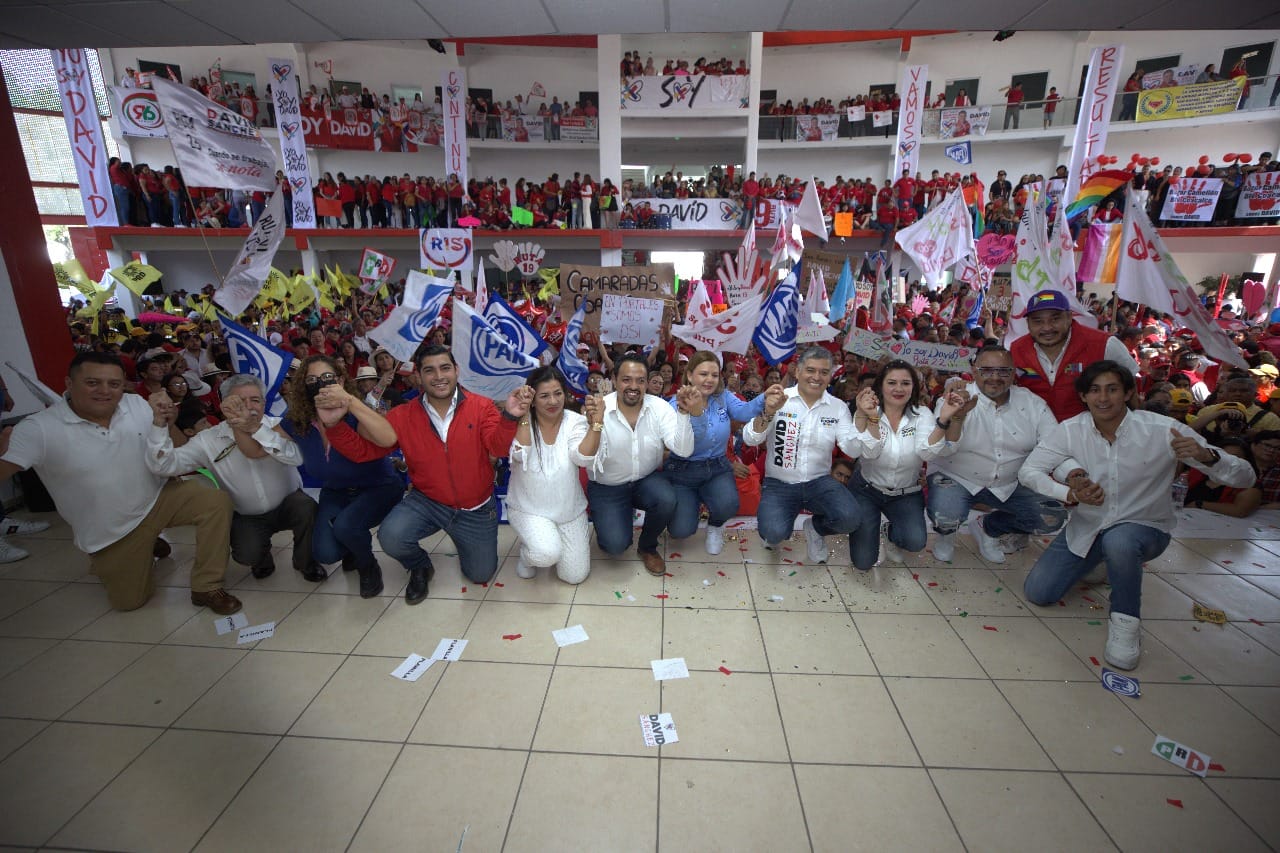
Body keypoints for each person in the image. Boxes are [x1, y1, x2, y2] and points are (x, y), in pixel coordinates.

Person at [1020, 361, 1255, 669]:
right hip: (1089, 527)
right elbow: (1029, 471)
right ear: (1084, 397)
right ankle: (1103, 562)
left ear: (1129, 392)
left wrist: (1207, 457)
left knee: (1121, 540)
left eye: (1112, 389)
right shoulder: (1071, 430)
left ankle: (1125, 624)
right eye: (1095, 390)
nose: (1103, 398)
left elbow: (1246, 478)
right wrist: (1069, 493)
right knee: (1040, 592)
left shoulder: (1162, 430)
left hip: (1146, 527)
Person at [0, 352, 241, 614]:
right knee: (130, 602)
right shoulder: (38, 428)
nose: (105, 391)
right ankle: (134, 549)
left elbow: (179, 454)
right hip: (112, 528)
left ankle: (206, 585)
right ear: (69, 384)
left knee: (215, 500)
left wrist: (168, 423)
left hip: (158, 498)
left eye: (114, 384)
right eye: (92, 383)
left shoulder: (135, 404)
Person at [325, 345, 531, 604]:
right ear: (419, 377)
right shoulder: (402, 415)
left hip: (475, 508)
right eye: (429, 370)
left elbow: (497, 448)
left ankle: (466, 541)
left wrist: (510, 416)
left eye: (445, 368)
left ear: (456, 371)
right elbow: (364, 452)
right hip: (428, 501)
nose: (438, 376)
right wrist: (333, 425)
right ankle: (420, 565)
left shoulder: (482, 407)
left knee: (481, 574)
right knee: (391, 536)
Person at [145, 374, 328, 584]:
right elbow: (164, 466)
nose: (248, 407)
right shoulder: (208, 439)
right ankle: (261, 556)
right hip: (246, 513)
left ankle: (306, 561)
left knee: (307, 507)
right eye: (239, 402)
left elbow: (296, 457)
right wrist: (160, 425)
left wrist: (254, 430)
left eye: (255, 400)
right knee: (246, 554)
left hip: (288, 503)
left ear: (264, 402)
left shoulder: (279, 426)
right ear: (223, 405)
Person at [926, 346, 1068, 564]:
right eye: (987, 370)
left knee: (1052, 516)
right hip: (955, 478)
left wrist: (1073, 476)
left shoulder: (1032, 404)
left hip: (1009, 483)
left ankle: (988, 528)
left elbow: (1055, 448)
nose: (995, 377)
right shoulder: (956, 398)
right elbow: (940, 450)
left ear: (1013, 373)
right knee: (945, 515)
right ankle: (946, 534)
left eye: (1003, 371)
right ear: (974, 371)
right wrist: (957, 418)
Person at [282, 356, 403, 597]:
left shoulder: (355, 412)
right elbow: (258, 446)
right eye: (312, 380)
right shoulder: (298, 422)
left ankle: (368, 566)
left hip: (377, 486)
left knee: (347, 526)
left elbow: (389, 438)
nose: (320, 384)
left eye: (327, 378)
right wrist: (244, 424)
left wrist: (350, 402)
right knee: (326, 553)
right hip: (336, 491)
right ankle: (351, 546)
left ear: (339, 380)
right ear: (303, 386)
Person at [577, 353, 699, 576]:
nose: (633, 386)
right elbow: (585, 459)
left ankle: (647, 546)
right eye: (626, 379)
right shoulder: (598, 408)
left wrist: (683, 414)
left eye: (640, 380)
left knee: (666, 498)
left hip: (645, 479)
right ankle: (618, 519)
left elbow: (683, 450)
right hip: (608, 487)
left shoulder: (659, 407)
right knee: (615, 545)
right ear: (614, 380)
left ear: (646, 382)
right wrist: (594, 424)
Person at [741, 346, 865, 564]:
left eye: (824, 372)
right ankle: (777, 527)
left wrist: (863, 418)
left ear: (830, 375)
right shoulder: (779, 398)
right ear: (797, 372)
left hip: (819, 481)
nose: (816, 377)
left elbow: (852, 450)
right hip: (779, 483)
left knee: (851, 518)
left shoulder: (837, 408)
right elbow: (751, 439)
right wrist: (768, 413)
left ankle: (815, 529)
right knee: (772, 532)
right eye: (810, 370)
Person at [848, 360, 966, 569]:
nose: (899, 389)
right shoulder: (867, 409)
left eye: (905, 383)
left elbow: (926, 452)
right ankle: (873, 527)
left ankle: (891, 534)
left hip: (906, 493)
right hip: (867, 489)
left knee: (915, 542)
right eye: (892, 382)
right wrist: (872, 418)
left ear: (914, 387)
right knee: (863, 563)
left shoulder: (923, 414)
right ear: (880, 385)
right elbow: (868, 451)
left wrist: (944, 420)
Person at [665, 351, 783, 555]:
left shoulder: (723, 397)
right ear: (690, 375)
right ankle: (690, 505)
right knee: (680, 530)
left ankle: (715, 526)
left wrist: (765, 397)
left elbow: (744, 412)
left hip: (717, 466)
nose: (709, 379)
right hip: (683, 471)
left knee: (728, 504)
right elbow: (692, 440)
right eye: (703, 374)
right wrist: (696, 413)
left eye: (714, 374)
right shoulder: (675, 404)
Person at [507, 367, 591, 583]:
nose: (553, 401)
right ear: (532, 398)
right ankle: (528, 555)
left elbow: (582, 458)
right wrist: (524, 415)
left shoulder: (575, 421)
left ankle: (548, 538)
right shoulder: (519, 420)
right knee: (546, 554)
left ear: (565, 393)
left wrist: (597, 425)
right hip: (529, 509)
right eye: (544, 396)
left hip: (568, 510)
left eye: (558, 393)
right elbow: (520, 455)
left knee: (574, 576)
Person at [1010, 290, 1137, 421]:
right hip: (1036, 435)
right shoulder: (1016, 349)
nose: (1047, 328)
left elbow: (1131, 386)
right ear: (1028, 324)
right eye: (1038, 321)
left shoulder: (1105, 344)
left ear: (1069, 317)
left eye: (1055, 319)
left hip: (1091, 435)